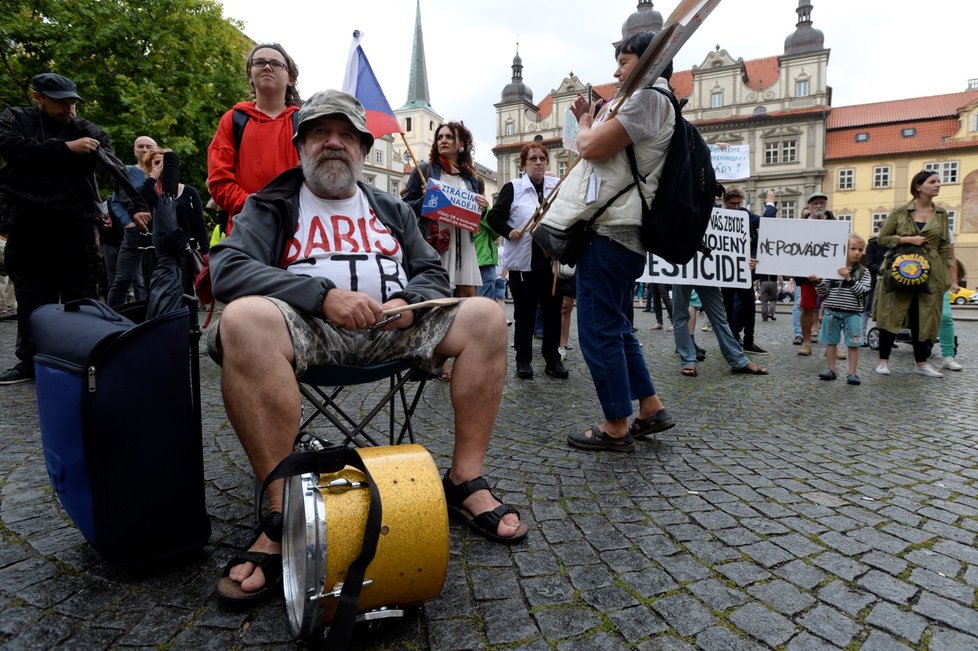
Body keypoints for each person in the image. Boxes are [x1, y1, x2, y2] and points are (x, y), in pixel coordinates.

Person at [207, 90, 527, 603]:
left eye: (345, 135)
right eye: (319, 133)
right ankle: (282, 510)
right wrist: (322, 297)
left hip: (392, 330)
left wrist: (408, 299)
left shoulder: (391, 207)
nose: (333, 143)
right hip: (307, 331)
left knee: (488, 315)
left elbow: (428, 270)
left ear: (362, 146)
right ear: (300, 146)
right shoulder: (271, 203)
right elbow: (226, 268)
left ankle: (465, 479)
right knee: (243, 318)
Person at [541, 31, 676, 452]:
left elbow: (592, 148)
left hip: (610, 232)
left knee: (598, 332)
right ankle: (650, 407)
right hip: (621, 232)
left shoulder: (650, 98)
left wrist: (584, 123)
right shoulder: (652, 100)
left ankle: (616, 424)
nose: (616, 70)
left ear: (650, 60)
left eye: (624, 60)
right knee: (617, 328)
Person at [0, 73, 149, 385]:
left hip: (77, 228)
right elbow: (13, 150)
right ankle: (30, 362)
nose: (68, 107)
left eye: (72, 101)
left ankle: (85, 356)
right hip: (28, 227)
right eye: (60, 101)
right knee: (32, 298)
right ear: (37, 96)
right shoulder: (15, 119)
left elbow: (112, 166)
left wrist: (134, 205)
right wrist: (66, 149)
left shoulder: (85, 129)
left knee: (80, 296)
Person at [486, 142, 567, 379]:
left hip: (551, 261)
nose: (539, 162)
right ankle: (524, 361)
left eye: (542, 158)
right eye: (533, 159)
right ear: (524, 164)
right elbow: (494, 218)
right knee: (525, 314)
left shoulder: (556, 187)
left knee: (553, 313)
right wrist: (509, 231)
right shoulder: (513, 188)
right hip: (523, 263)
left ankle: (552, 360)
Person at [207, 42, 301, 235]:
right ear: (250, 75)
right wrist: (255, 207)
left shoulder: (304, 122)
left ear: (290, 78)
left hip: (297, 231)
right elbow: (219, 181)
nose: (267, 66)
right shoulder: (233, 119)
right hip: (246, 231)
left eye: (276, 63)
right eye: (259, 62)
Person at [873, 170, 953, 377]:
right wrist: (908, 240)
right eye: (932, 181)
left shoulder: (942, 214)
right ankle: (883, 361)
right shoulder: (901, 211)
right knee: (892, 312)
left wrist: (945, 275)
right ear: (918, 186)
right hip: (900, 268)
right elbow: (882, 238)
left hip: (931, 272)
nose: (937, 185)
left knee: (924, 316)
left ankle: (921, 363)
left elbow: (944, 246)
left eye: (938, 182)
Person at [402, 121, 488, 297]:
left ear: (461, 144)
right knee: (439, 300)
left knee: (468, 301)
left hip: (465, 247)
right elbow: (404, 207)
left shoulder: (472, 179)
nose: (443, 140)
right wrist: (424, 200)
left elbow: (476, 217)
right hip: (436, 245)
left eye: (449, 137)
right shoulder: (424, 171)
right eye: (440, 137)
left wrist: (483, 208)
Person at [137, 148, 209, 295]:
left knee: (184, 293)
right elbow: (137, 203)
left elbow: (199, 223)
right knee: (155, 293)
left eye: (166, 163)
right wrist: (152, 178)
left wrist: (206, 252)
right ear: (149, 166)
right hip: (154, 251)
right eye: (157, 163)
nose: (162, 167)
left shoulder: (189, 192)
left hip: (183, 251)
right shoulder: (148, 190)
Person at [720, 187, 775, 353]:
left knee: (750, 307)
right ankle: (731, 340)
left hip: (745, 269)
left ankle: (749, 341)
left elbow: (766, 222)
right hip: (726, 270)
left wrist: (770, 204)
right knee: (728, 307)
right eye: (732, 204)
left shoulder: (744, 213)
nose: (736, 207)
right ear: (725, 202)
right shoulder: (718, 215)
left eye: (739, 204)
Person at [672, 283, 768, 377]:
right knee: (681, 316)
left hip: (705, 273)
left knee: (719, 317)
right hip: (687, 271)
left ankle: (738, 360)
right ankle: (737, 360)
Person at [812, 233, 871, 385]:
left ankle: (852, 373)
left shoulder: (864, 272)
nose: (857, 252)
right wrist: (818, 282)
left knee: (853, 343)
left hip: (853, 313)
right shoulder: (831, 269)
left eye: (860, 249)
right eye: (853, 248)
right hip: (832, 311)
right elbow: (823, 292)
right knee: (831, 342)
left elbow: (863, 292)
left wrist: (849, 279)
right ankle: (832, 370)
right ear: (844, 249)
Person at [106, 135, 157, 307]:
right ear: (134, 150)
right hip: (134, 232)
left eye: (148, 146)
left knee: (153, 280)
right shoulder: (126, 172)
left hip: (157, 233)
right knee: (122, 279)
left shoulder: (163, 172)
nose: (144, 150)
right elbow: (115, 202)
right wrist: (127, 223)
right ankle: (112, 319)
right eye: (140, 146)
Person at [795, 194, 835, 356]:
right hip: (807, 273)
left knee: (833, 309)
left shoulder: (836, 224)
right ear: (809, 206)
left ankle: (831, 346)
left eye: (822, 203)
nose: (819, 206)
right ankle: (806, 342)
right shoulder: (801, 225)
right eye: (815, 203)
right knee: (807, 307)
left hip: (830, 273)